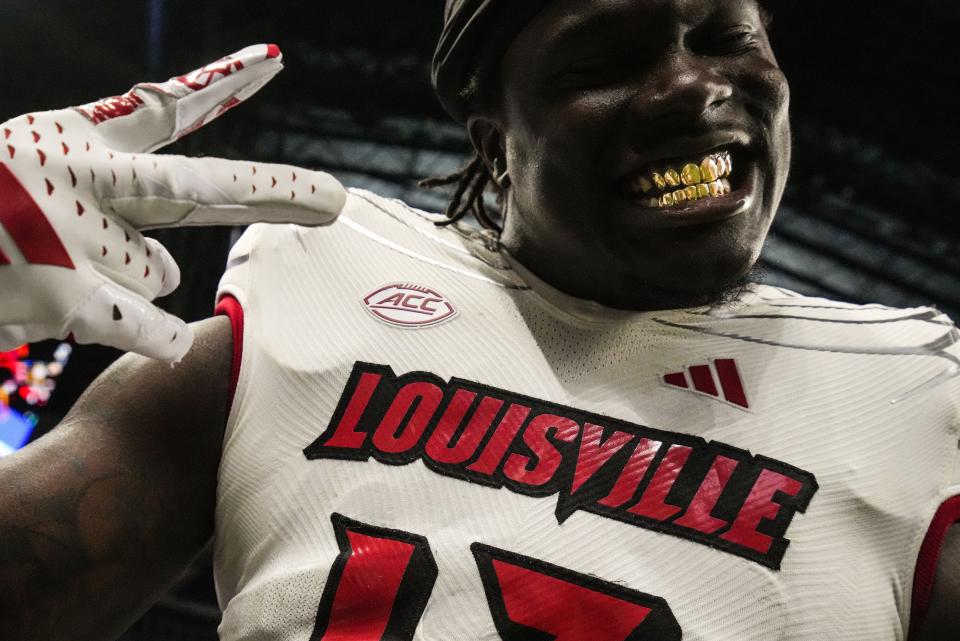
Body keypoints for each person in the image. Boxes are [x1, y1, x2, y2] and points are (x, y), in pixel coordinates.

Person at [0, 1, 957, 639]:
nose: (690, 85)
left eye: (724, 36)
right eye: (607, 60)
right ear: (495, 150)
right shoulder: (320, 295)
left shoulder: (909, 403)